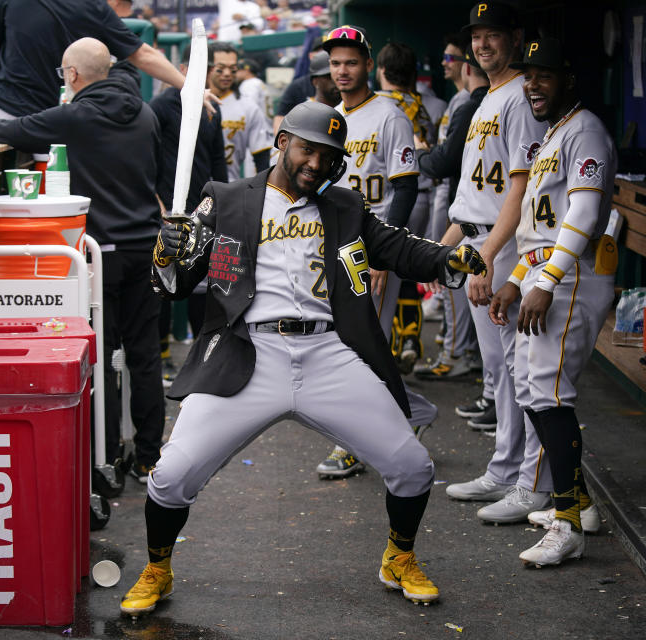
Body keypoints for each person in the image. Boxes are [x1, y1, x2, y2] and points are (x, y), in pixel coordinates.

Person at [119, 101, 485, 616]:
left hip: (328, 353)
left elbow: (396, 247)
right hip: (247, 352)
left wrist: (447, 259)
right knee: (172, 474)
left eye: (329, 156)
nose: (316, 163)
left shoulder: (343, 206)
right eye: (308, 149)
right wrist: (167, 250)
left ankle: (398, 557)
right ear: (282, 141)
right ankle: (157, 567)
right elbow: (172, 286)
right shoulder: (225, 199)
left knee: (412, 465)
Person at [0, 37, 167, 485]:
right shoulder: (147, 114)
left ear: (72, 75)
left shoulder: (75, 116)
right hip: (146, 249)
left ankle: (110, 456)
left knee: (103, 355)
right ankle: (150, 457)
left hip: (101, 255)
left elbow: (8, 130)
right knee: (145, 355)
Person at [489, 38, 614, 564]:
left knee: (548, 393)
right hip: (545, 271)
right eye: (528, 75)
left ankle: (567, 525)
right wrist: (519, 277)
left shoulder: (584, 130)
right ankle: (578, 503)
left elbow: (583, 215)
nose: (533, 84)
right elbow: (537, 229)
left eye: (545, 74)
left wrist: (546, 279)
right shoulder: (552, 136)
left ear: (569, 79)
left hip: (571, 276)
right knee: (530, 385)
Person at [441, 3, 554, 526]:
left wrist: (486, 257)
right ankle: (505, 466)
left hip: (504, 246)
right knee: (500, 371)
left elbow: (522, 187)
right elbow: (474, 191)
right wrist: (451, 246)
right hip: (480, 239)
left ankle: (528, 479)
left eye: (493, 35)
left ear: (516, 37)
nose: (482, 45)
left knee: (521, 370)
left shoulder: (517, 99)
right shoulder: (487, 96)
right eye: (476, 37)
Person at [312, 26, 436, 478]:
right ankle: (410, 415)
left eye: (350, 62)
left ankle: (354, 443)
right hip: (339, 247)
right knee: (349, 346)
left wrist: (386, 255)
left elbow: (405, 187)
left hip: (374, 248)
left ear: (368, 64)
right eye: (335, 63)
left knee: (358, 349)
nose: (342, 71)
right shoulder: (331, 118)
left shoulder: (390, 114)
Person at [0, 0, 194, 157]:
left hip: (9, 107)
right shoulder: (93, 6)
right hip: (62, 116)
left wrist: (12, 75)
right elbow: (142, 54)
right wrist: (190, 87)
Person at [150, 44, 229, 391]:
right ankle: (162, 354)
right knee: (165, 278)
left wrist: (224, 201)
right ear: (180, 67)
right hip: (168, 210)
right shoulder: (162, 107)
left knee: (204, 280)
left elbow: (217, 162)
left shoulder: (210, 109)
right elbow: (149, 161)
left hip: (205, 209)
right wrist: (158, 206)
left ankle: (204, 353)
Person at [412, 37, 490, 388]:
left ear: (467, 65)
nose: (446, 63)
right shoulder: (474, 102)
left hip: (473, 209)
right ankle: (465, 354)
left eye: (451, 57)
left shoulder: (473, 103)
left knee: (454, 279)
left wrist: (423, 155)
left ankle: (458, 354)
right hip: (470, 207)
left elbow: (445, 161)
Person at [374, 42, 445, 374]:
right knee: (409, 273)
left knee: (386, 275)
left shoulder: (378, 106)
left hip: (392, 198)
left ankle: (388, 344)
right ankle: (411, 338)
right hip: (427, 197)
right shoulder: (431, 104)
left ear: (382, 70)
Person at [208, 42, 273, 181]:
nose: (227, 73)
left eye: (232, 68)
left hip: (227, 191)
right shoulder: (188, 102)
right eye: (220, 68)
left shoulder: (248, 107)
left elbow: (262, 159)